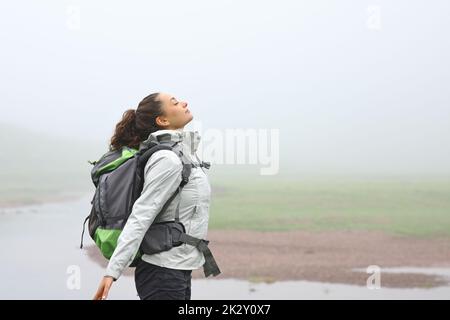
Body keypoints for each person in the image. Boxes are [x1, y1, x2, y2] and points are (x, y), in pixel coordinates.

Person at [93, 92, 212, 300]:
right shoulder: (167, 159)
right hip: (163, 274)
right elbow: (141, 215)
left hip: (177, 270)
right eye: (175, 102)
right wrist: (112, 272)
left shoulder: (184, 154)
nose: (184, 102)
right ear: (162, 120)